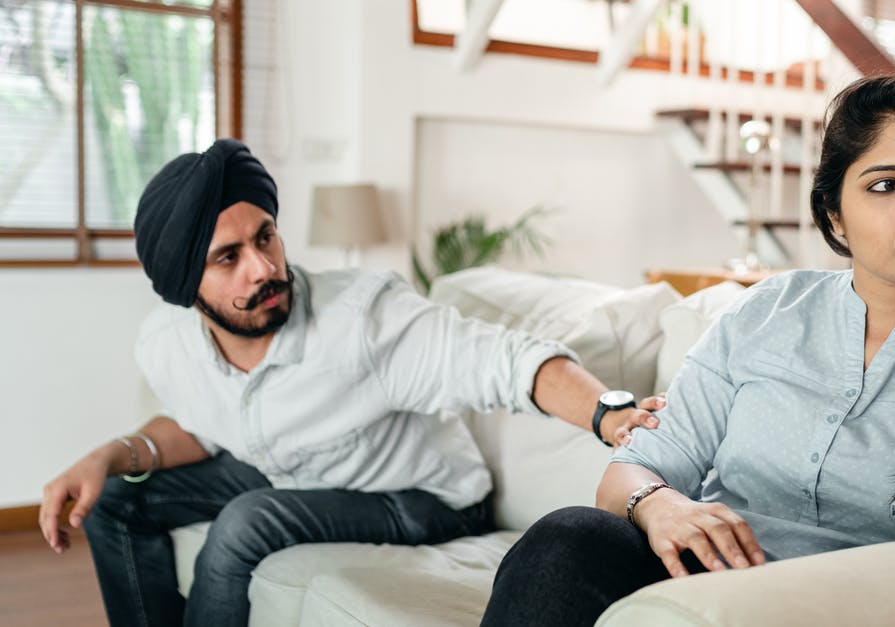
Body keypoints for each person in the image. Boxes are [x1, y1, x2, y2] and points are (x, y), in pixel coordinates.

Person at [480, 75, 895, 626]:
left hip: (851, 605)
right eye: (886, 185)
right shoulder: (765, 311)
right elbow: (629, 472)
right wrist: (659, 505)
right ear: (834, 217)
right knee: (567, 539)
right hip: (702, 584)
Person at [37, 138, 663, 627]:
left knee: (243, 523)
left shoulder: (365, 320)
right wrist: (108, 456)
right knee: (119, 501)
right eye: (228, 258)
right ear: (186, 289)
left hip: (423, 498)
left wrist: (609, 413)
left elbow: (509, 361)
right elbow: (199, 426)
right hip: (298, 471)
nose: (263, 267)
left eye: (266, 237)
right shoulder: (166, 344)